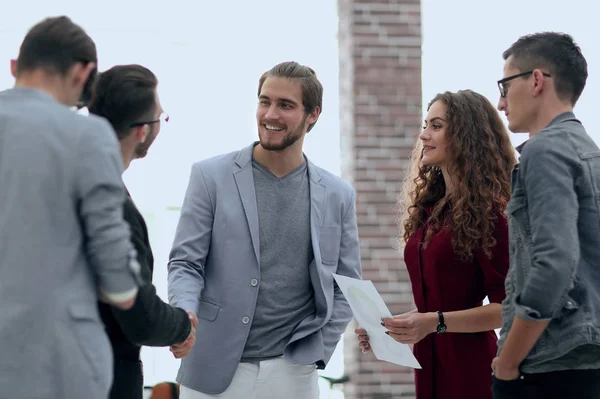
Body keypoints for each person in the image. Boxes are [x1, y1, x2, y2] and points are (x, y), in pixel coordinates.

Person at [167, 61, 362, 399]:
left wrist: (319, 349)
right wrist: (185, 312)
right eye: (264, 101)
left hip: (293, 375)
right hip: (213, 368)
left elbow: (346, 284)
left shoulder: (337, 194)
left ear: (312, 114)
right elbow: (185, 263)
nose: (270, 113)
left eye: (285, 105)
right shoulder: (210, 176)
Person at [0, 16, 141, 399]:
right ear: (83, 74)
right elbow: (119, 281)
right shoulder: (87, 136)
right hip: (58, 366)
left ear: (16, 67)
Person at [356, 90, 516, 399]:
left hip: (471, 369)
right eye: (425, 124)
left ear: (465, 136)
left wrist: (434, 322)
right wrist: (394, 327)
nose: (423, 135)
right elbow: (440, 299)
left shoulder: (492, 211)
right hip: (429, 362)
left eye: (436, 126)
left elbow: (508, 308)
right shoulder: (433, 208)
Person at [491, 32, 600, 399]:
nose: (501, 102)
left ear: (536, 80)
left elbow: (554, 264)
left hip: (550, 367)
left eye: (505, 86)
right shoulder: (589, 152)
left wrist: (508, 360)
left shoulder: (544, 151)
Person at [88, 64, 197, 399]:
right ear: (141, 131)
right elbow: (136, 310)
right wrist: (182, 325)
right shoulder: (108, 202)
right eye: (159, 119)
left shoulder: (72, 181)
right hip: (102, 377)